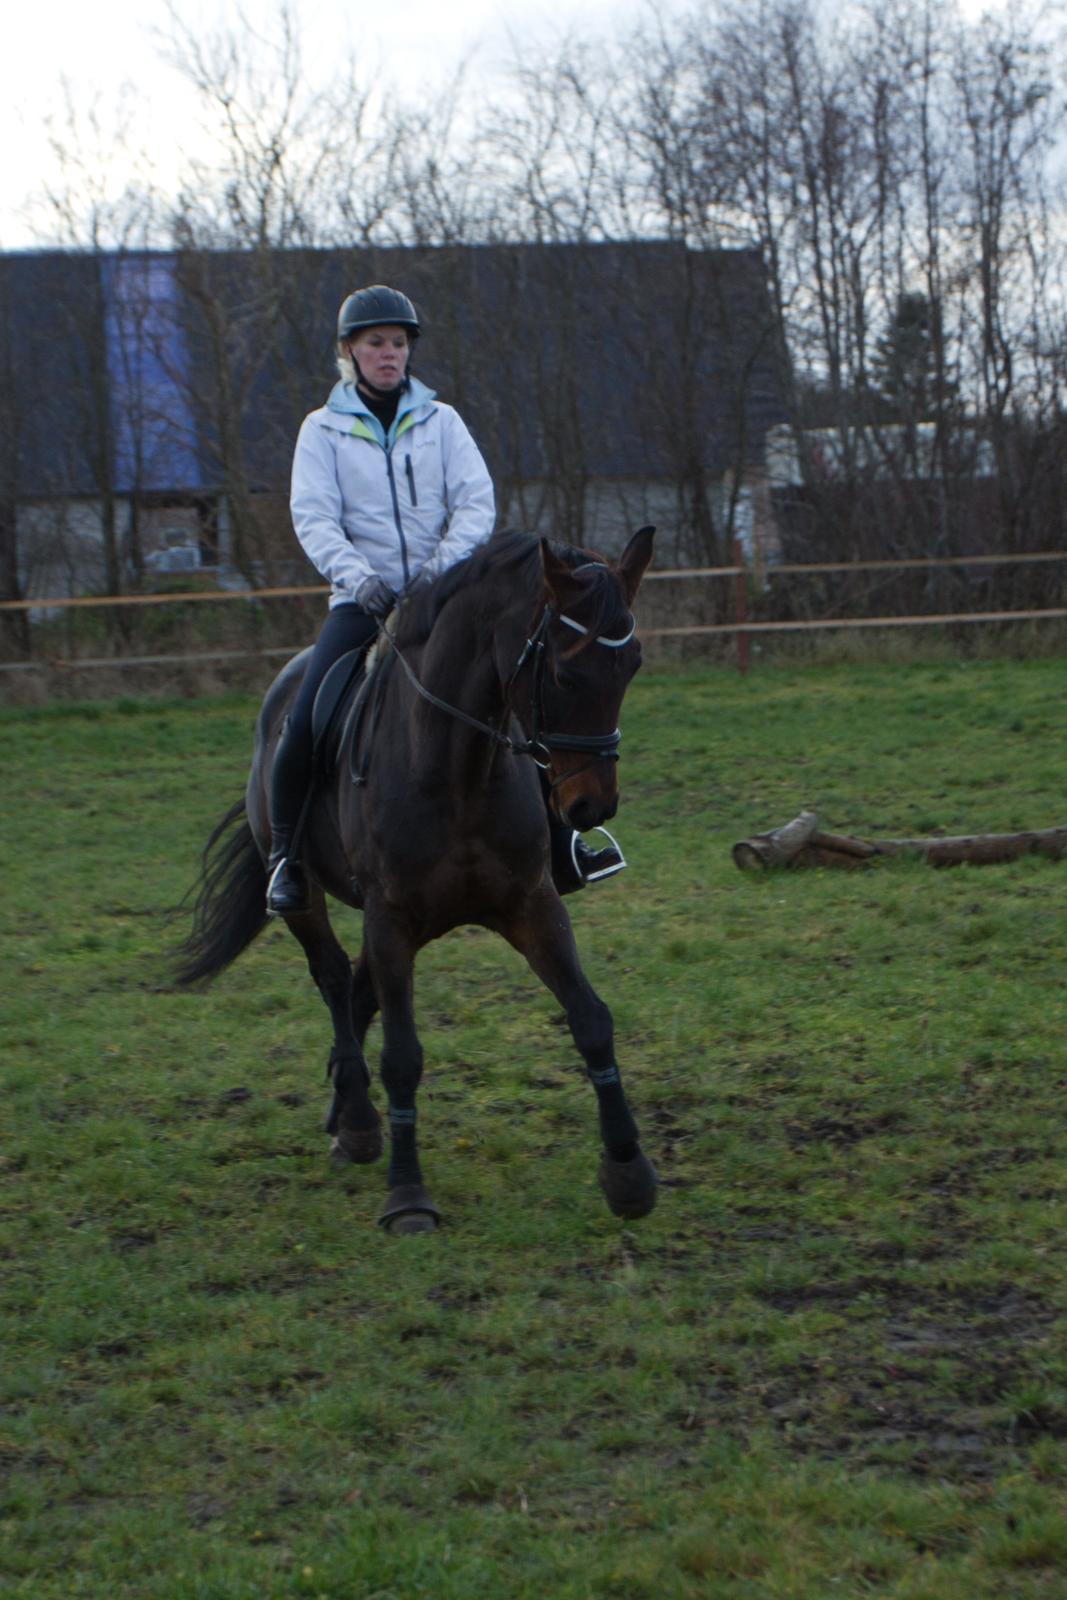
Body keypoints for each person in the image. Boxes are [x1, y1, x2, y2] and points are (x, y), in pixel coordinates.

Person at [266, 284, 623, 915]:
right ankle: (286, 861)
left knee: (523, 695)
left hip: (449, 602)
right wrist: (361, 579)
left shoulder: (442, 421)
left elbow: (475, 504)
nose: (389, 354)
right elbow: (313, 518)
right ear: (349, 350)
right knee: (305, 719)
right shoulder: (320, 431)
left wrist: (437, 576)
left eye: (398, 343)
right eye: (376, 343)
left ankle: (563, 846)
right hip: (362, 602)